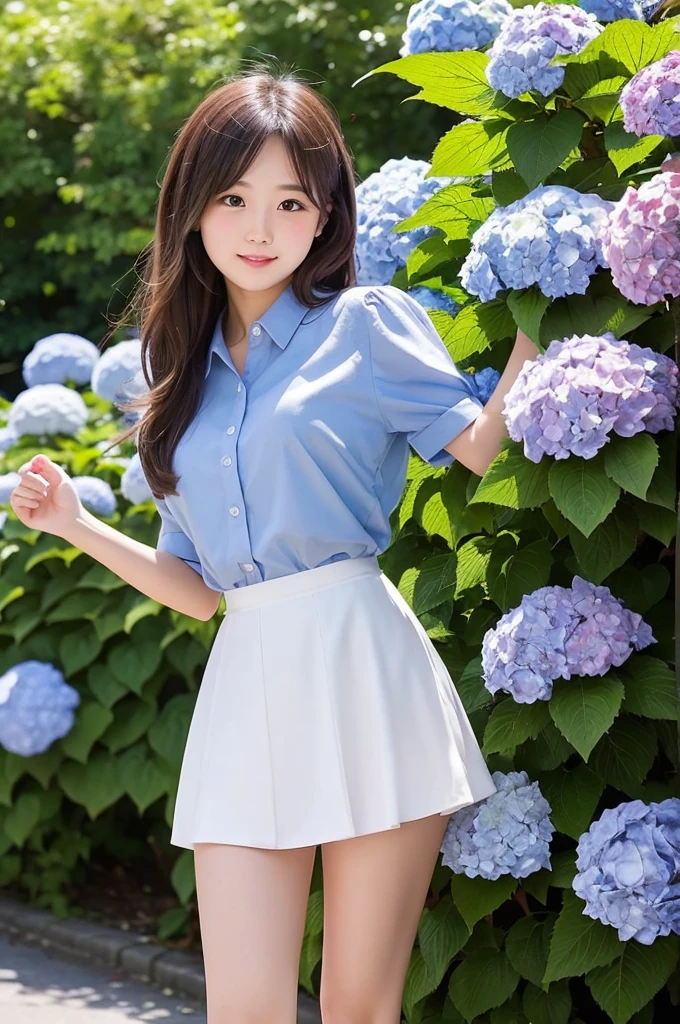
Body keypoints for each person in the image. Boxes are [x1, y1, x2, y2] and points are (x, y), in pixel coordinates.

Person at [10, 66, 539, 1024]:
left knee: (356, 1007)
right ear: (193, 212)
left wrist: (539, 326)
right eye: (233, 198)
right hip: (246, 685)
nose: (260, 229)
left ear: (325, 213)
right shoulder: (181, 381)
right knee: (244, 1009)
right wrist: (79, 528)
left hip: (363, 670)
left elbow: (477, 448)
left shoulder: (368, 329)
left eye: (290, 201)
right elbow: (200, 589)